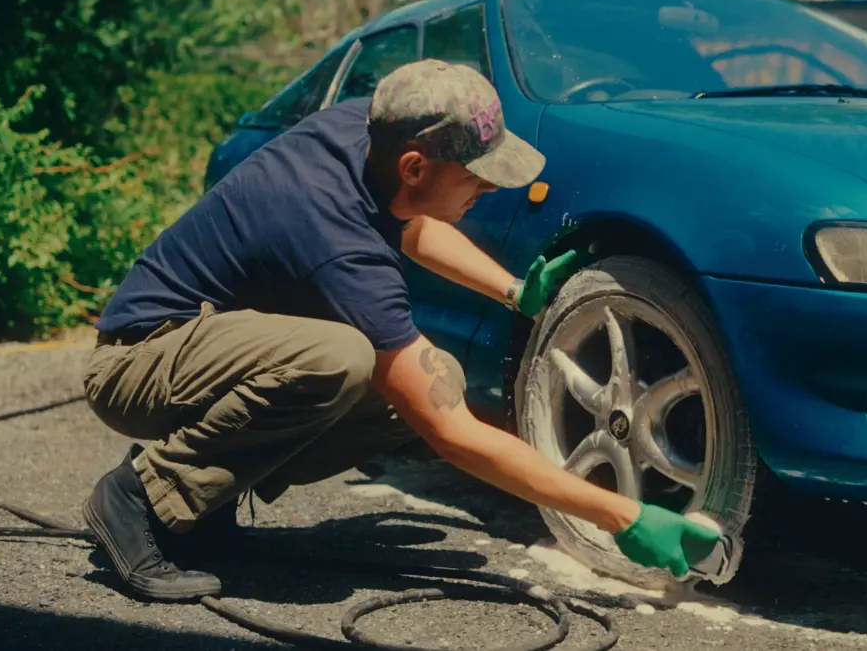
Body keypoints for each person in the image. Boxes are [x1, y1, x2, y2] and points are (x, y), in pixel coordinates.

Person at [81, 58, 724, 601]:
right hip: (140, 360)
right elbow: (452, 435)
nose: (488, 189)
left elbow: (410, 224)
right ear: (416, 165)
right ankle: (139, 497)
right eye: (477, 174)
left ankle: (206, 502)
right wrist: (624, 516)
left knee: (428, 373)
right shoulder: (336, 239)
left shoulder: (371, 133)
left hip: (206, 346)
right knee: (343, 361)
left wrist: (511, 292)